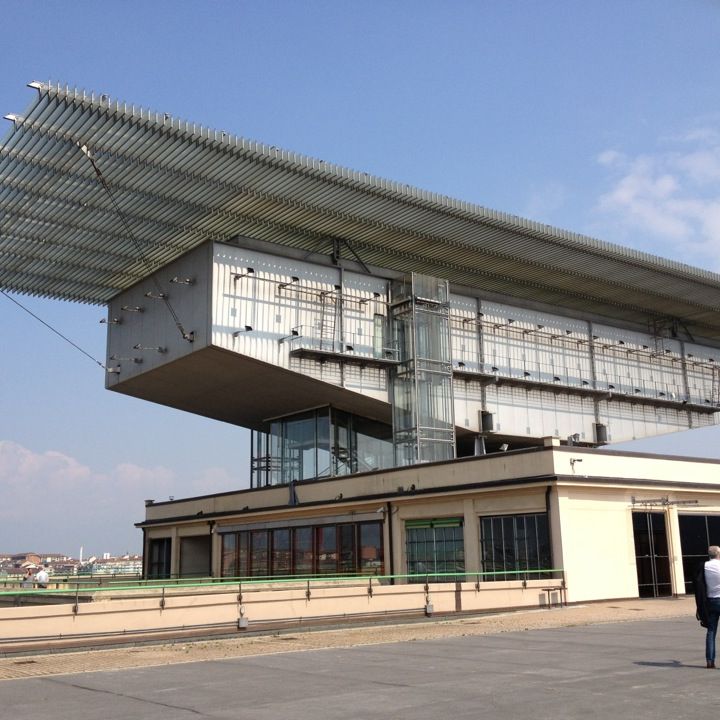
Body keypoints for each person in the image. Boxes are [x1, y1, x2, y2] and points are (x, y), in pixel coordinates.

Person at [700, 546, 720, 668]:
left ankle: (710, 661)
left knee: (711, 632)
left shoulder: (704, 566)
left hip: (711, 601)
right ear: (718, 553)